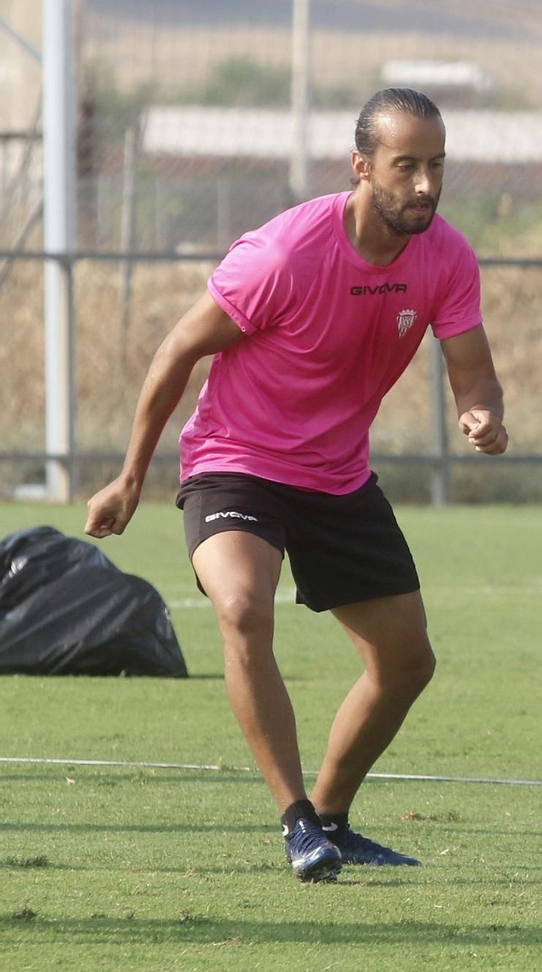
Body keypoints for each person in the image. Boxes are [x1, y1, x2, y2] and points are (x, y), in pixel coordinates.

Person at [84, 89, 509, 883]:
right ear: (361, 167)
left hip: (338, 478)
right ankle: (297, 823)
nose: (425, 185)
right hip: (236, 463)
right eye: (406, 166)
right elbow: (177, 351)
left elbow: (474, 374)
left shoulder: (447, 257)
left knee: (407, 664)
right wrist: (129, 477)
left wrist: (482, 414)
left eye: (437, 166)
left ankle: (333, 817)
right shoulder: (283, 255)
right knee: (243, 607)